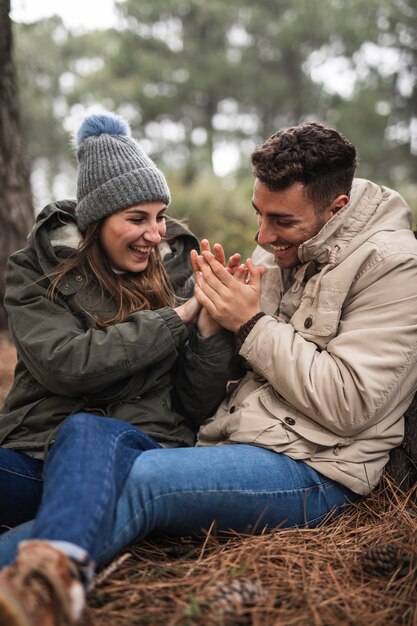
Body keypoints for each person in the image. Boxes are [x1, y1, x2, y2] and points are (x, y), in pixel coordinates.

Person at [2, 120, 417, 626]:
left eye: (281, 221)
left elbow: (351, 403)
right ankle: (42, 580)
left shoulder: (395, 267)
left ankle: (35, 592)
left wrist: (245, 323)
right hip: (230, 443)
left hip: (317, 463)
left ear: (337, 207)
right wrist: (212, 327)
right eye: (258, 215)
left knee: (134, 478)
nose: (263, 237)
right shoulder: (278, 248)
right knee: (94, 454)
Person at [0, 111, 235, 625]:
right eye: (137, 218)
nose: (155, 233)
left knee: (87, 431)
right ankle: (62, 534)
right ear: (97, 220)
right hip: (34, 456)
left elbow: (196, 405)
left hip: (128, 451)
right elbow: (65, 364)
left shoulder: (181, 272)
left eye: (160, 216)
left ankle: (48, 584)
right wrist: (176, 320)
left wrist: (212, 332)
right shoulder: (36, 269)